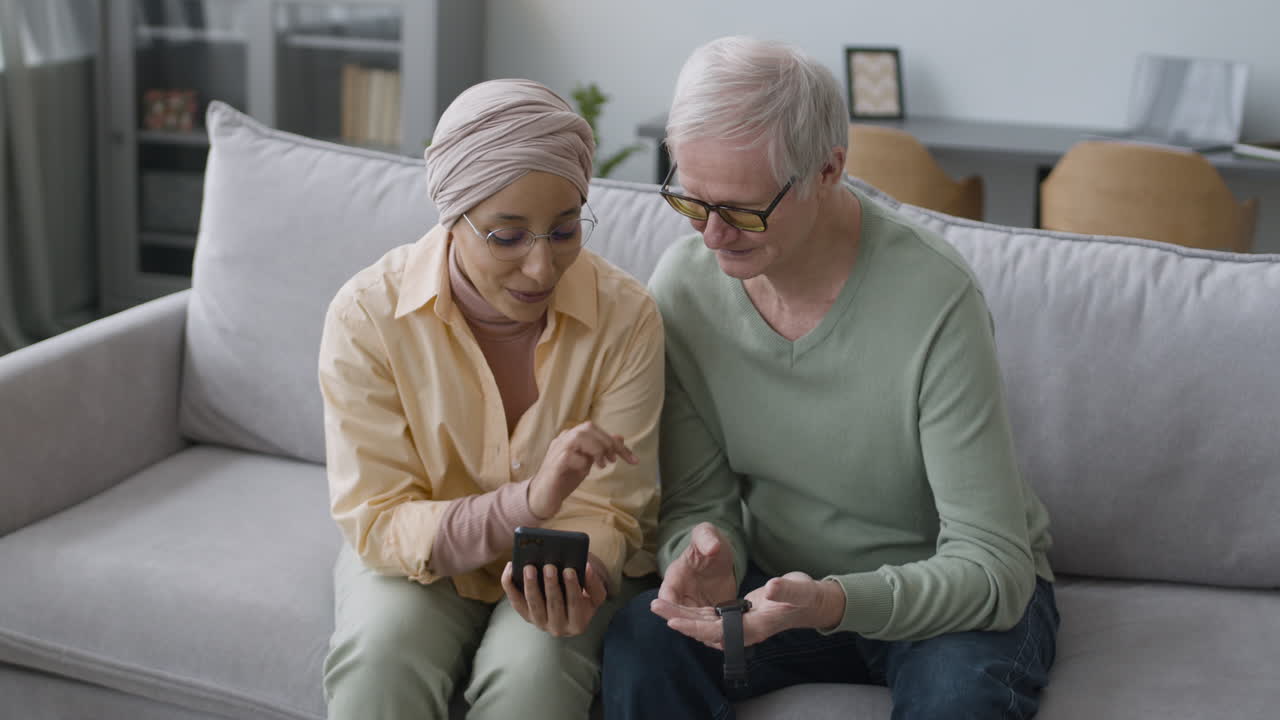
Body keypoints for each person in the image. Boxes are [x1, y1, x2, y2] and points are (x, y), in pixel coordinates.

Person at [602, 37, 1058, 720]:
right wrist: (706, 552)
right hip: (777, 592)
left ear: (828, 170)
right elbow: (698, 501)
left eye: (743, 210)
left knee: (957, 701)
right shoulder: (686, 289)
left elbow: (994, 568)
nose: (713, 237)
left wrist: (835, 600)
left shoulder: (934, 297)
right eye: (692, 202)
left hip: (944, 593)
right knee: (643, 641)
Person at [318, 79, 663, 719]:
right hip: (420, 559)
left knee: (532, 676)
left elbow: (615, 511)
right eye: (508, 237)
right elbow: (380, 517)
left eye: (564, 231)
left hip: (562, 567)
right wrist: (525, 504)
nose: (541, 268)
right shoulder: (368, 317)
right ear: (453, 218)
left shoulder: (628, 317)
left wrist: (582, 576)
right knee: (379, 659)